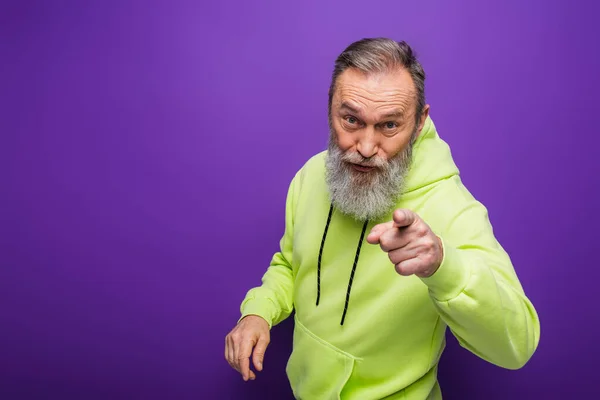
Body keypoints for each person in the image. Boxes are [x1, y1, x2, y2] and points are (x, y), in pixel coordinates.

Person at [224, 37, 540, 399]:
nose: (366, 147)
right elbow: (292, 264)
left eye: (389, 125)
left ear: (419, 122)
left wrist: (443, 266)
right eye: (351, 120)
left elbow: (518, 345)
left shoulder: (452, 208)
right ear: (330, 108)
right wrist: (258, 311)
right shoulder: (312, 176)